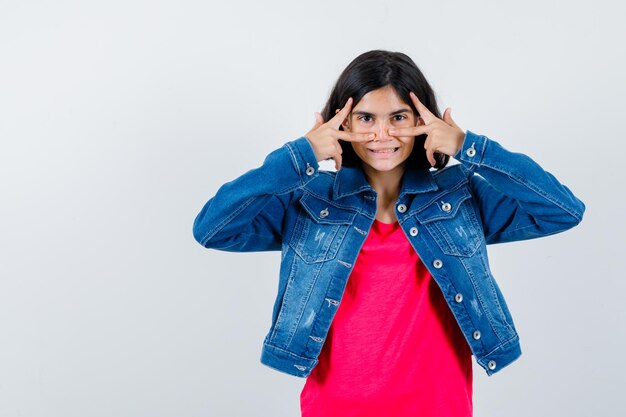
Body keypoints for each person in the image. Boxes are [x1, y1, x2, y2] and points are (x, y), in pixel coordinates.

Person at [192, 50, 585, 416]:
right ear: (341, 123)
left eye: (398, 117)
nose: (382, 134)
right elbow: (212, 229)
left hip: (440, 405)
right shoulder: (309, 202)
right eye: (366, 118)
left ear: (422, 120)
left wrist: (470, 147)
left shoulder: (461, 196)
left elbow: (562, 210)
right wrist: (301, 155)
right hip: (334, 407)